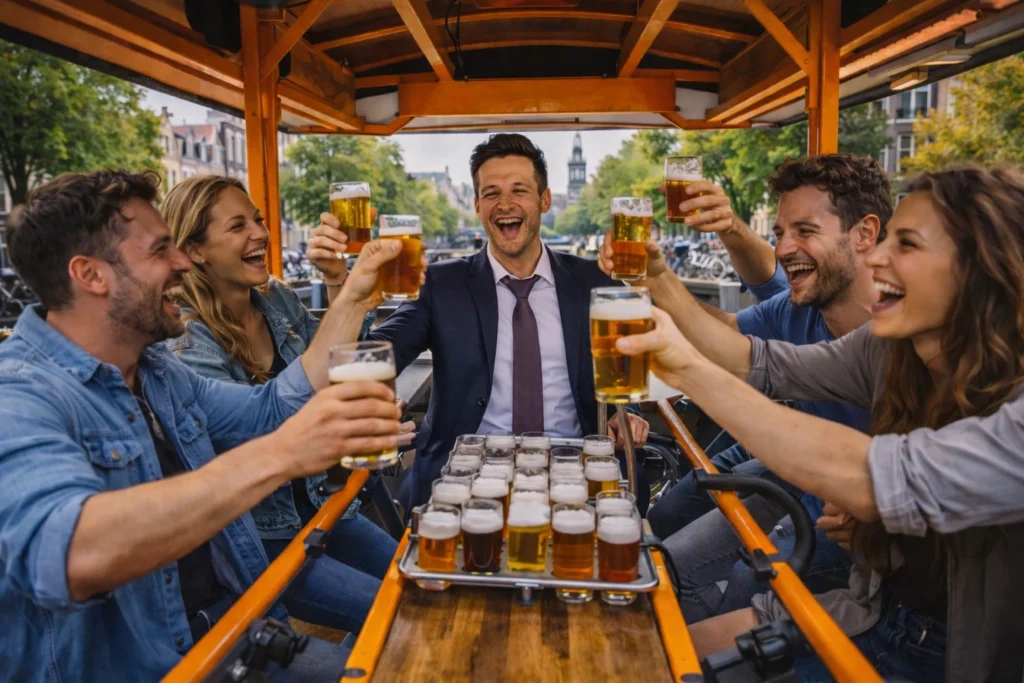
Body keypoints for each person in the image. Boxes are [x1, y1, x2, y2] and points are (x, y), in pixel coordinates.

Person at [618, 166, 1024, 682]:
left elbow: (867, 475)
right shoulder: (886, 348)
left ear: (978, 267)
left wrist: (687, 371)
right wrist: (658, 279)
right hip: (874, 608)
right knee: (645, 656)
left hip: (950, 654)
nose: (875, 259)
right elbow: (759, 364)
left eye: (907, 244)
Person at [0, 170, 403, 682]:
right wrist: (283, 453)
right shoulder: (18, 394)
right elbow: (73, 553)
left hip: (234, 635)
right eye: (160, 250)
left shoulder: (156, 371)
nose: (183, 262)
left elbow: (270, 409)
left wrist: (352, 294)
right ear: (92, 276)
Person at [602, 155, 891, 620]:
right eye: (778, 234)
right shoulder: (809, 317)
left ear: (865, 233)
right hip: (809, 484)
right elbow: (741, 352)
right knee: (671, 542)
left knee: (741, 576)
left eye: (805, 231)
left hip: (861, 531)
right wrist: (655, 278)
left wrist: (881, 510)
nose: (783, 248)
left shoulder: (903, 340)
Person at [306, 134, 650, 509]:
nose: (505, 203)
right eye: (491, 193)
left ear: (545, 200)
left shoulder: (594, 280)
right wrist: (340, 282)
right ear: (476, 206)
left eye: (519, 190)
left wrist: (625, 416)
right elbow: (358, 359)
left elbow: (620, 369)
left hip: (572, 472)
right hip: (463, 477)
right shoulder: (440, 284)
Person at [162, 175, 406, 635]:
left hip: (323, 509)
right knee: (392, 614)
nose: (260, 232)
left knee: (415, 582)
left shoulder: (274, 298)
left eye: (257, 219)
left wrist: (338, 280)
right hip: (261, 539)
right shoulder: (185, 341)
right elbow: (262, 419)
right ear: (195, 250)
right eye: (238, 226)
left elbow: (335, 365)